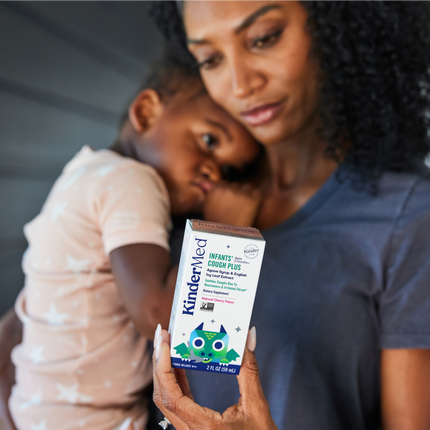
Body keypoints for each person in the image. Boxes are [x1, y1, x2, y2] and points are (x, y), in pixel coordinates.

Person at [148, 0, 430, 429]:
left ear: (337, 22)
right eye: (210, 58)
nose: (241, 85)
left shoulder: (406, 216)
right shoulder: (187, 185)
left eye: (263, 38)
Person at [4, 54, 262, 430]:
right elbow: (158, 318)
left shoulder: (85, 174)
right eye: (209, 140)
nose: (214, 173)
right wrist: (224, 227)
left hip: (43, 409)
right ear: (146, 111)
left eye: (229, 170)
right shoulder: (132, 181)